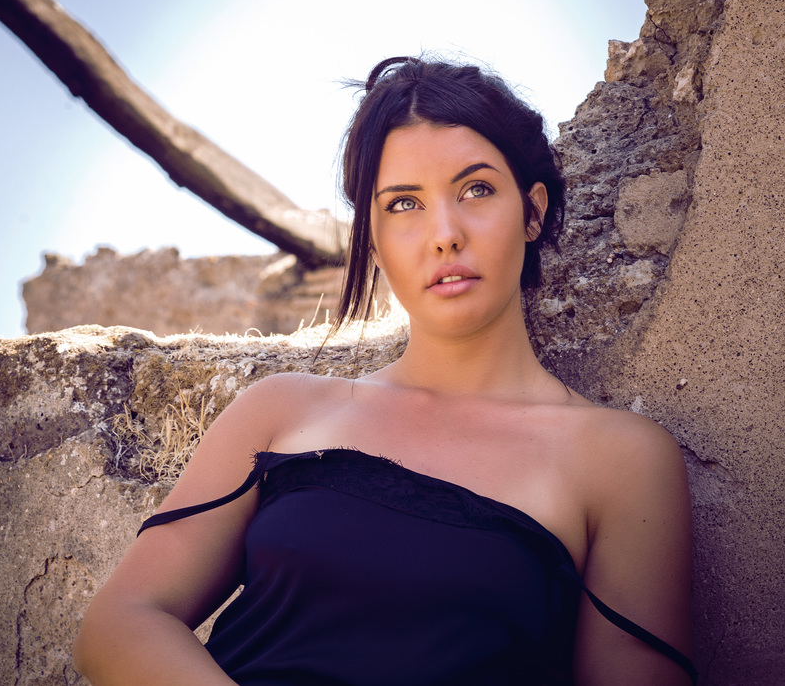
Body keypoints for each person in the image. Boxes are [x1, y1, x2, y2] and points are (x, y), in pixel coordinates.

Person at [73, 56, 696, 685]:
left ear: (533, 212)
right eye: (403, 203)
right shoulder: (281, 410)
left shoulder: (621, 460)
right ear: (371, 237)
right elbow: (122, 623)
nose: (444, 234)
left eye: (476, 190)